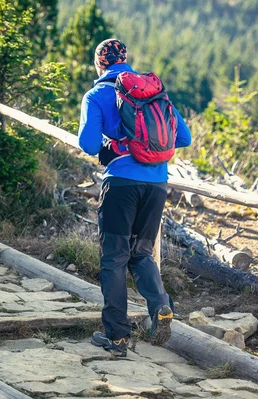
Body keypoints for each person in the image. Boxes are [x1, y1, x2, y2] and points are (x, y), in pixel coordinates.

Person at [78, 38, 192, 357]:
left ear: (99, 63)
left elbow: (87, 145)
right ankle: (161, 308)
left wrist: (115, 144)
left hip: (121, 183)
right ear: (126, 60)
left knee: (114, 258)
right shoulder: (153, 92)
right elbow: (184, 137)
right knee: (141, 253)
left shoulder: (97, 94)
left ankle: (117, 336)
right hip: (156, 184)